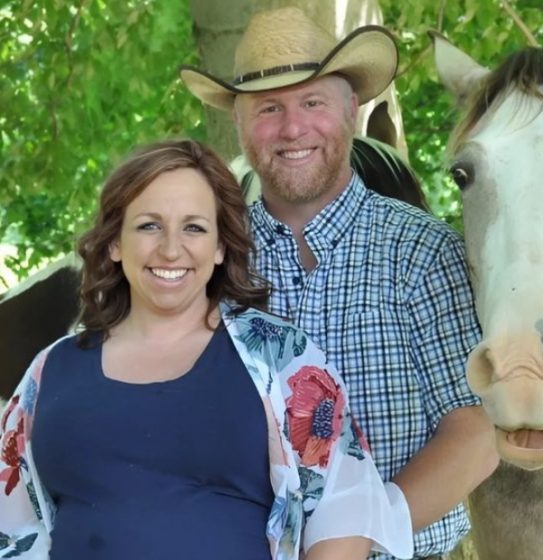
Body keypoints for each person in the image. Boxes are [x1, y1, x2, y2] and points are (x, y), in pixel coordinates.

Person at [180, 7, 499, 559]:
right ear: (239, 122)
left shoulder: (422, 253)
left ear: (351, 110)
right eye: (269, 108)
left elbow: (475, 430)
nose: (292, 128)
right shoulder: (212, 263)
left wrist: (354, 538)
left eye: (312, 102)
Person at [0, 139, 413, 560]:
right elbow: (9, 524)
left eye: (194, 227)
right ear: (114, 244)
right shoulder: (51, 369)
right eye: (149, 225)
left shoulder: (281, 358)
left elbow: (345, 508)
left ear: (220, 247)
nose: (171, 248)